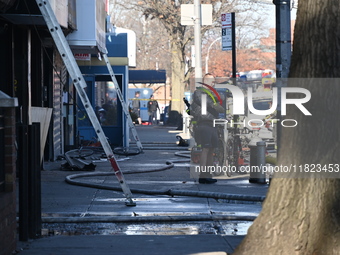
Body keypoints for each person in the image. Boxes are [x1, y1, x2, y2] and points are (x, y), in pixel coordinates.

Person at [190, 73, 225, 184]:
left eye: (214, 81)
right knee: (206, 148)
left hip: (212, 123)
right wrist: (215, 104)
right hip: (203, 123)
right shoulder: (198, 92)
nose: (213, 83)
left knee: (212, 149)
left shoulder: (212, 93)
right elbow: (204, 101)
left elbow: (221, 98)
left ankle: (208, 174)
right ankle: (203, 175)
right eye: (211, 81)